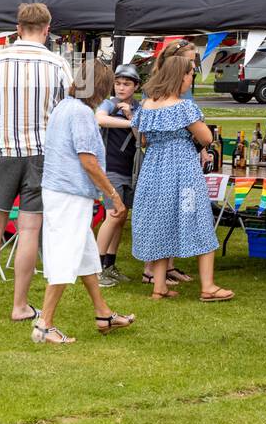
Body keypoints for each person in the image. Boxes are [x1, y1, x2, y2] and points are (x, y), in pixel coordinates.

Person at [0, 3, 71, 321]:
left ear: (18, 27)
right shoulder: (58, 64)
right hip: (41, 154)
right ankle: (19, 305)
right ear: (47, 30)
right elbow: (62, 108)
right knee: (30, 229)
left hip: (5, 150)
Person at [33, 60, 136, 344]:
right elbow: (88, 160)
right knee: (66, 256)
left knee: (86, 255)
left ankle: (103, 313)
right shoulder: (80, 113)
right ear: (100, 87)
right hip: (70, 193)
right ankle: (44, 324)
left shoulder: (64, 106)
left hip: (60, 191)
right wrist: (113, 196)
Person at [132, 54, 233, 302]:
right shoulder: (184, 107)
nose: (191, 80)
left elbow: (142, 140)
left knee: (160, 223)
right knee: (199, 218)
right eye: (190, 75)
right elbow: (207, 138)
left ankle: (159, 286)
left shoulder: (146, 106)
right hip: (183, 172)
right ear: (180, 77)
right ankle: (207, 286)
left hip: (153, 172)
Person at [94, 64, 141, 286]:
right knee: (112, 214)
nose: (121, 88)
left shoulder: (138, 108)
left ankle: (109, 264)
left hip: (129, 170)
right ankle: (96, 267)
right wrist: (129, 121)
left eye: (127, 84)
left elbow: (143, 139)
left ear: (136, 86)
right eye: (118, 83)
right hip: (110, 167)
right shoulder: (109, 103)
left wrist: (132, 115)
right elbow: (100, 119)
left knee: (121, 217)